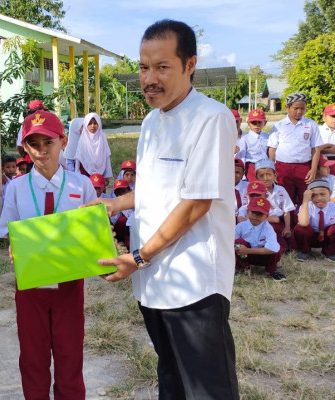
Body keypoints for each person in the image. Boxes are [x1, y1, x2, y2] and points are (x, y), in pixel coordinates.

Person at [85, 19, 239, 399]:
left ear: (190, 65)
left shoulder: (212, 118)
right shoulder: (152, 121)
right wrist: (115, 202)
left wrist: (138, 256)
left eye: (162, 67)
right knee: (170, 379)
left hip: (195, 284)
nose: (149, 78)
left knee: (207, 388)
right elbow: (155, 188)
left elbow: (196, 203)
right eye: (143, 67)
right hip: (153, 282)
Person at [0, 109, 96, 400]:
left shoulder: (82, 185)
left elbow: (93, 233)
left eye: (48, 142)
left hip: (69, 283)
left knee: (69, 353)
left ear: (63, 141)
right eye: (34, 144)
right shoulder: (16, 188)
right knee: (33, 355)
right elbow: (9, 231)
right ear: (24, 148)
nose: (42, 151)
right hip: (31, 285)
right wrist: (15, 247)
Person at [267, 92, 322, 206]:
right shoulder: (279, 126)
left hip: (304, 168)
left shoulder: (311, 124)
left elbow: (315, 149)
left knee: (306, 198)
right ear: (287, 107)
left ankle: (303, 223)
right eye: (295, 108)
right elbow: (272, 149)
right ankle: (287, 223)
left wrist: (313, 169)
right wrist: (272, 169)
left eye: (302, 108)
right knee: (285, 199)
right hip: (283, 168)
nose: (299, 111)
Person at [235, 197, 286, 281]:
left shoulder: (268, 228)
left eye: (260, 214)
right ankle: (242, 267)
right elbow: (233, 243)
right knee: (237, 242)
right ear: (247, 212)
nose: (255, 216)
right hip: (245, 256)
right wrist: (239, 248)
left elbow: (273, 248)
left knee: (278, 248)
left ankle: (272, 270)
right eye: (253, 213)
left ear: (266, 216)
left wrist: (247, 250)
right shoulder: (240, 226)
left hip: (263, 256)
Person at [255, 158, 295, 250]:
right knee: (274, 232)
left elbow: (286, 211)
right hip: (264, 221)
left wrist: (287, 227)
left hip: (280, 220)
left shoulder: (281, 190)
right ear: (257, 178)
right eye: (261, 176)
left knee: (290, 237)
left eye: (269, 174)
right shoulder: (256, 192)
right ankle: (279, 249)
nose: (265, 178)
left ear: (275, 175)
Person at [294, 179, 335, 262]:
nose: (319, 198)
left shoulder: (333, 207)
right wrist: (305, 201)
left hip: (326, 237)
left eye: (322, 194)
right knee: (301, 229)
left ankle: (329, 251)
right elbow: (303, 223)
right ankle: (305, 250)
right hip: (310, 237)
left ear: (330, 194)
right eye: (314, 195)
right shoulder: (307, 206)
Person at [74, 112, 113, 185]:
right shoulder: (83, 139)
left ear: (99, 124)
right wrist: (77, 174)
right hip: (85, 171)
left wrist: (107, 175)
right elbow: (79, 158)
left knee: (99, 193)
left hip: (101, 171)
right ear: (85, 125)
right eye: (90, 123)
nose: (93, 126)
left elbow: (106, 156)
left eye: (95, 123)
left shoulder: (102, 138)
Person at [237, 109, 269, 182]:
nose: (256, 125)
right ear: (248, 123)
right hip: (252, 167)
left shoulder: (267, 137)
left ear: (265, 123)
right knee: (253, 187)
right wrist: (242, 172)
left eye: (259, 122)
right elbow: (242, 156)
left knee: (265, 187)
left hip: (266, 166)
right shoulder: (245, 139)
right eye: (253, 123)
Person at [110, 179, 133, 249]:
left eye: (123, 191)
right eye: (118, 192)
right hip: (119, 239)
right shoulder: (113, 206)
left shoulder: (134, 205)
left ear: (129, 191)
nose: (120, 194)